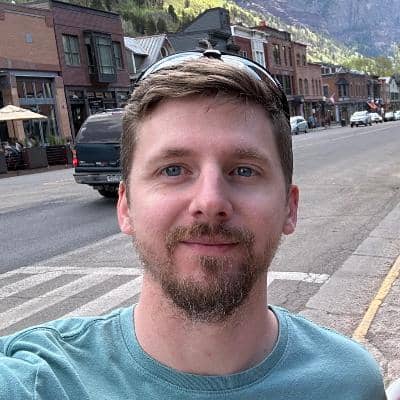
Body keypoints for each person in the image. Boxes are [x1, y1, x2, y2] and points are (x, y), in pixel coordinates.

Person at [0, 50, 386, 399]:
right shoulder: (37, 383)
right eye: (173, 170)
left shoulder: (351, 385)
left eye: (244, 170)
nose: (210, 202)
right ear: (126, 206)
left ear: (290, 207)